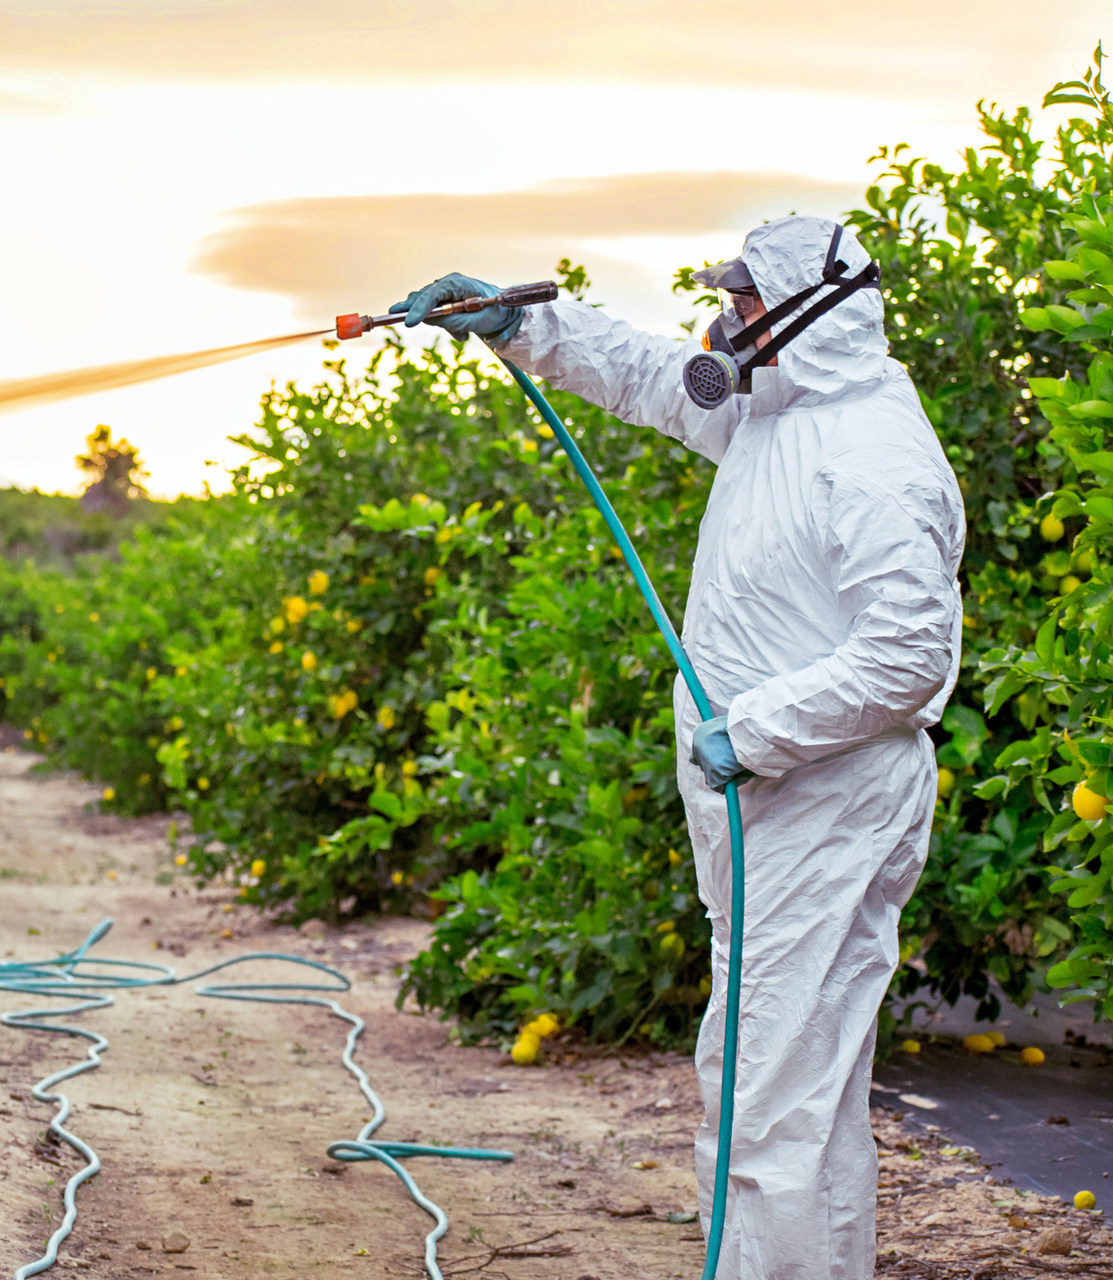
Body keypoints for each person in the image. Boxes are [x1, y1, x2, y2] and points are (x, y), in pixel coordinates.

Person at [393, 215, 965, 1280]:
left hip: (823, 802)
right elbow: (657, 377)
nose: (723, 319)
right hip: (774, 806)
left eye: (742, 303)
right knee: (793, 1086)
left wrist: (748, 734)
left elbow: (907, 659)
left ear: (811, 313)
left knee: (766, 1096)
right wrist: (526, 326)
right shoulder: (781, 414)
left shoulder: (876, 456)